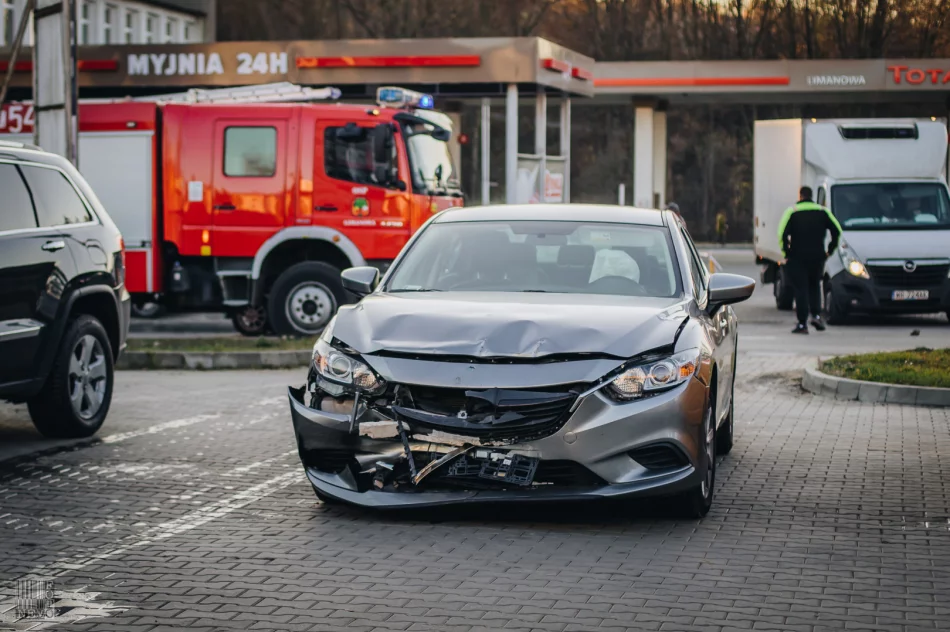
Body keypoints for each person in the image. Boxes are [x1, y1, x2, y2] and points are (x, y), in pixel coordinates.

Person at [777, 186, 842, 334]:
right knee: (814, 287)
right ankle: (817, 316)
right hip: (817, 257)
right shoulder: (822, 211)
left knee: (801, 289)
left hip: (797, 257)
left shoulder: (792, 212)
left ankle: (802, 324)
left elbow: (781, 234)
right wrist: (829, 250)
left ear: (800, 196)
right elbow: (837, 230)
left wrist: (786, 252)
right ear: (811, 196)